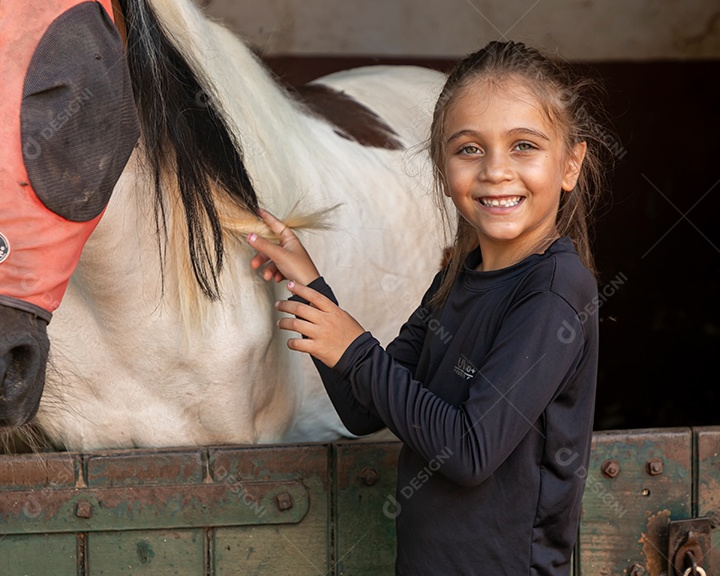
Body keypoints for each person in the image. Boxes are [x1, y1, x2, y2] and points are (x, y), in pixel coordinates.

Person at [246, 40, 609, 575]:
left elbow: (468, 451)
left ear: (570, 164)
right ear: (441, 168)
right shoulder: (457, 277)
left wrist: (355, 349)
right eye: (468, 149)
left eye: (524, 146)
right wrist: (313, 289)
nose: (495, 171)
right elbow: (364, 410)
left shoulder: (554, 293)